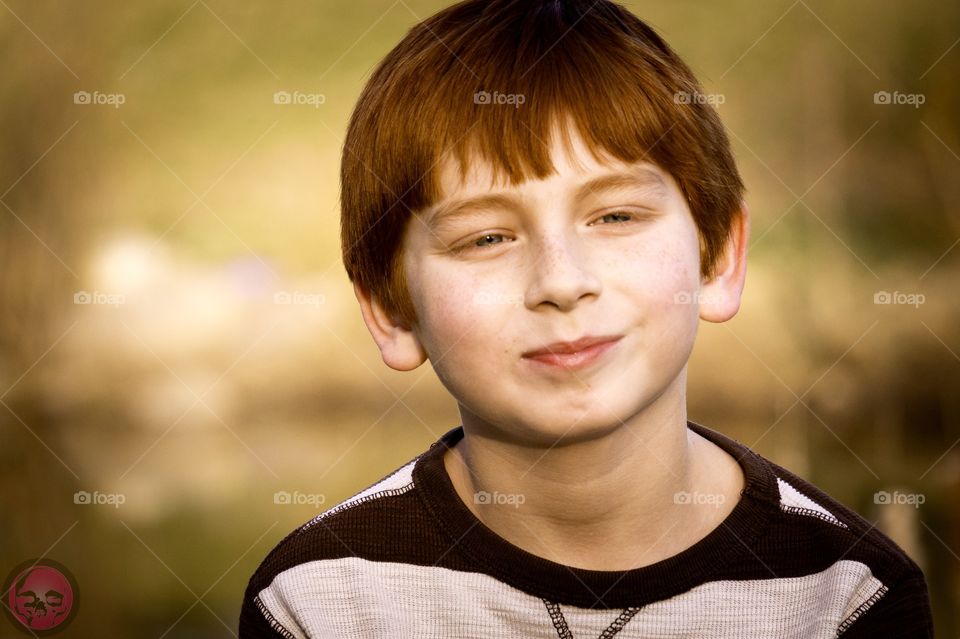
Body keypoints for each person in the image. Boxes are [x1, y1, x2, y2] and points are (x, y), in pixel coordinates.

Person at [240, 1, 935, 636]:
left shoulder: (844, 593)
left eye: (615, 216)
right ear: (392, 313)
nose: (562, 282)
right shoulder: (319, 596)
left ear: (718, 258)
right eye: (486, 237)